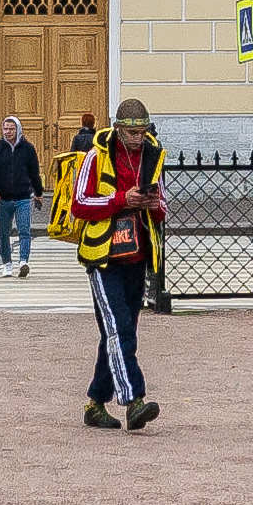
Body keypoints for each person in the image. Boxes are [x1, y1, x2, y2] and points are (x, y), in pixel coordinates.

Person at [69, 97, 166, 431]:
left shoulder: (153, 157)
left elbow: (163, 209)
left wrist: (151, 204)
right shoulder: (96, 156)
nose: (137, 138)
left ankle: (95, 404)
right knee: (119, 328)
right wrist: (121, 200)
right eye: (131, 132)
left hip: (137, 255)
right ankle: (133, 400)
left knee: (118, 332)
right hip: (103, 256)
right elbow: (78, 203)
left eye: (142, 131)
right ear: (118, 129)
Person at [0, 116, 45, 273]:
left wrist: (38, 192)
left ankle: (23, 261)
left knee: (24, 231)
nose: (8, 132)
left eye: (11, 129)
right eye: (5, 129)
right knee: (3, 233)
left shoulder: (28, 148)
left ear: (18, 129)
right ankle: (7, 264)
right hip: (3, 199)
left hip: (23, 198)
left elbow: (34, 173)